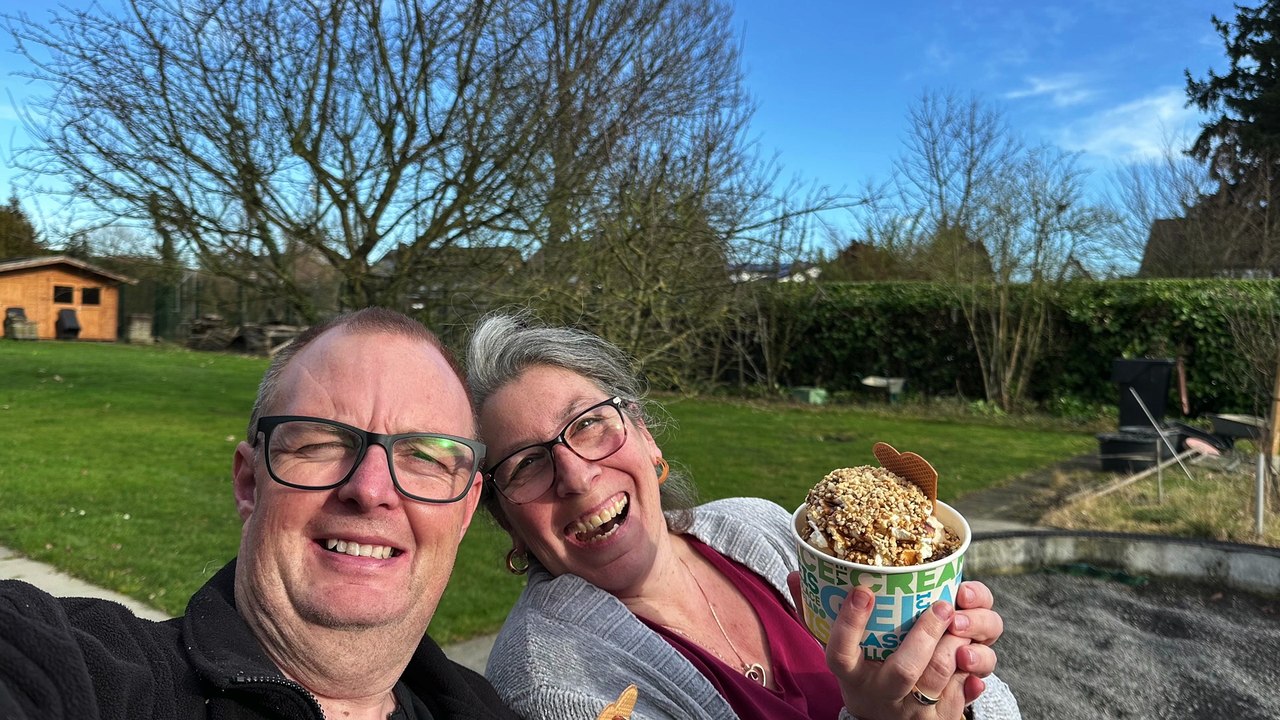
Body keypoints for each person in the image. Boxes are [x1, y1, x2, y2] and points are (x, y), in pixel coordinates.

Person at [466, 312, 1022, 720]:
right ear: (509, 524)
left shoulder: (759, 526)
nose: (576, 475)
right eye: (526, 464)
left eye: (588, 423)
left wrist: (954, 671)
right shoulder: (548, 684)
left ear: (644, 434)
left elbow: (995, 708)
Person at [0, 307, 520, 720]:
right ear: (249, 483)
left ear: (467, 506)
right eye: (320, 443)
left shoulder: (489, 706)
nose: (370, 488)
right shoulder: (104, 675)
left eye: (425, 456)